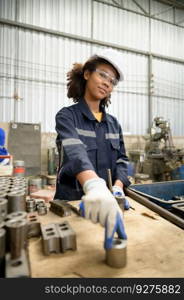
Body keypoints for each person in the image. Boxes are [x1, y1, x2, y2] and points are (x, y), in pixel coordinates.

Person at [54, 48, 131, 249]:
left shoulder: (113, 123)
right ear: (87, 74)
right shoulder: (67, 117)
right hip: (72, 204)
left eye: (112, 81)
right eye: (103, 74)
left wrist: (117, 188)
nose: (107, 82)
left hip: (108, 204)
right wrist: (94, 187)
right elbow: (75, 152)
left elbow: (122, 160)